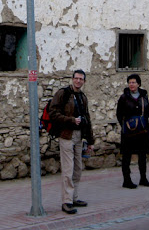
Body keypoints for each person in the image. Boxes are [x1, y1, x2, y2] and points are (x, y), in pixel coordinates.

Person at [49, 69, 95, 214]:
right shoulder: (63, 94)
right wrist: (70, 120)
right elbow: (53, 113)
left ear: (84, 81)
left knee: (77, 169)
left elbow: (87, 118)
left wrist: (90, 139)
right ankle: (66, 201)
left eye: (81, 79)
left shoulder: (82, 97)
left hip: (79, 136)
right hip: (66, 135)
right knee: (68, 169)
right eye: (76, 78)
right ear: (72, 79)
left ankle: (74, 198)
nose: (78, 81)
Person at [116, 73, 149, 188]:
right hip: (128, 132)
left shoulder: (143, 96)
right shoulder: (123, 97)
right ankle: (126, 180)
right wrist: (126, 125)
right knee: (127, 155)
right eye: (130, 82)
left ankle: (143, 178)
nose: (131, 84)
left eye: (134, 82)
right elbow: (119, 114)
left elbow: (147, 111)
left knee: (142, 154)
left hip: (142, 130)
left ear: (138, 84)